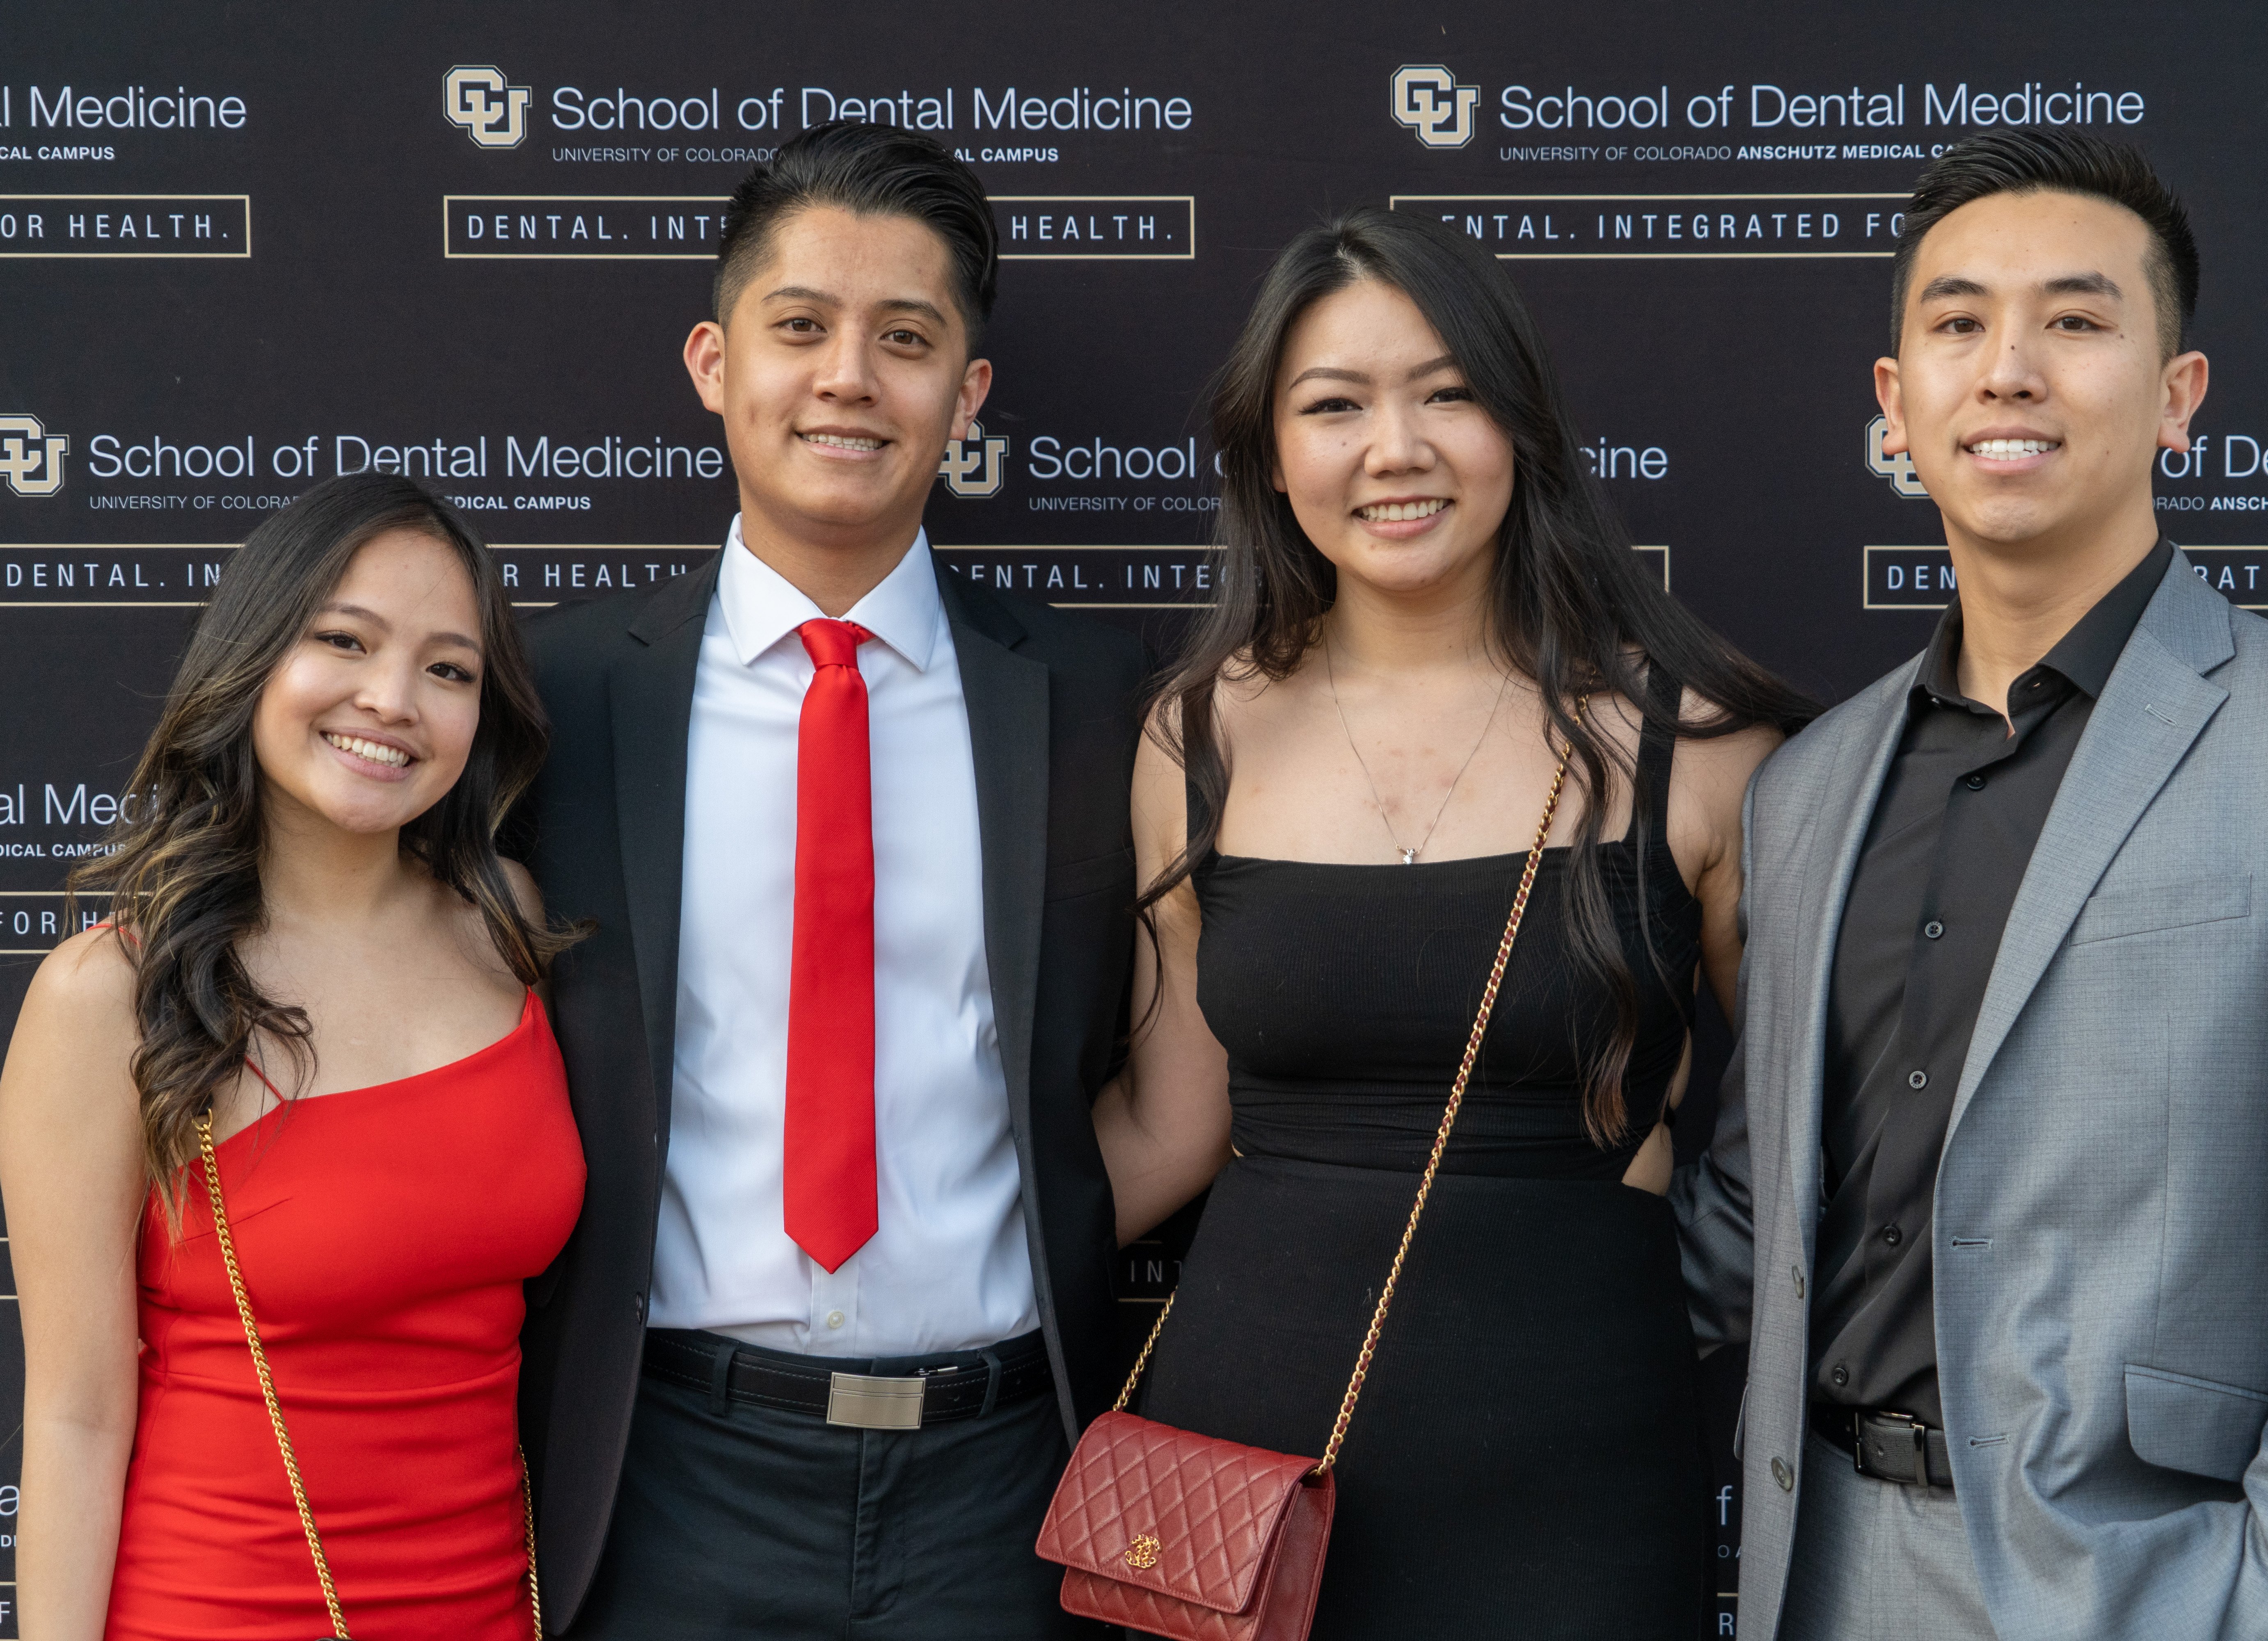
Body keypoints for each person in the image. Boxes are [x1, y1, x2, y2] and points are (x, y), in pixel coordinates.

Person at [1673, 127, 2268, 1641]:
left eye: (2079, 321)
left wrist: (2263, 1609)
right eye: (1958, 323)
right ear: (1898, 407)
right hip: (1813, 1567)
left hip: (2147, 1589)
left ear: (2181, 398)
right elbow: (1750, 1211)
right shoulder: (1806, 789)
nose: (2012, 368)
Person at [1090, 207, 1810, 1637]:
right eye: (1335, 405)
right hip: (1244, 1468)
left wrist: (1657, 1282)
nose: (1394, 448)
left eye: (1448, 392)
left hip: (1579, 1468)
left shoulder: (1701, 747)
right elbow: (1175, 1127)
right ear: (1271, 453)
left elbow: (1805, 1139)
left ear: (1521, 426)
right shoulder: (1197, 736)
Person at [513, 120, 1142, 1640]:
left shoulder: (1101, 701)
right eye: (800, 328)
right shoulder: (556, 701)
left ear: (968, 394)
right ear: (716, 362)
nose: (849, 377)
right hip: (663, 1474)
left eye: (906, 339)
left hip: (1007, 1487)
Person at [0, 473, 579, 1641]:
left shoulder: (509, 924)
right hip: (219, 1611)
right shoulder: (110, 996)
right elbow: (74, 1415)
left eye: (448, 669)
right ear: (256, 655)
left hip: (494, 1615)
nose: (392, 699)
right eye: (344, 640)